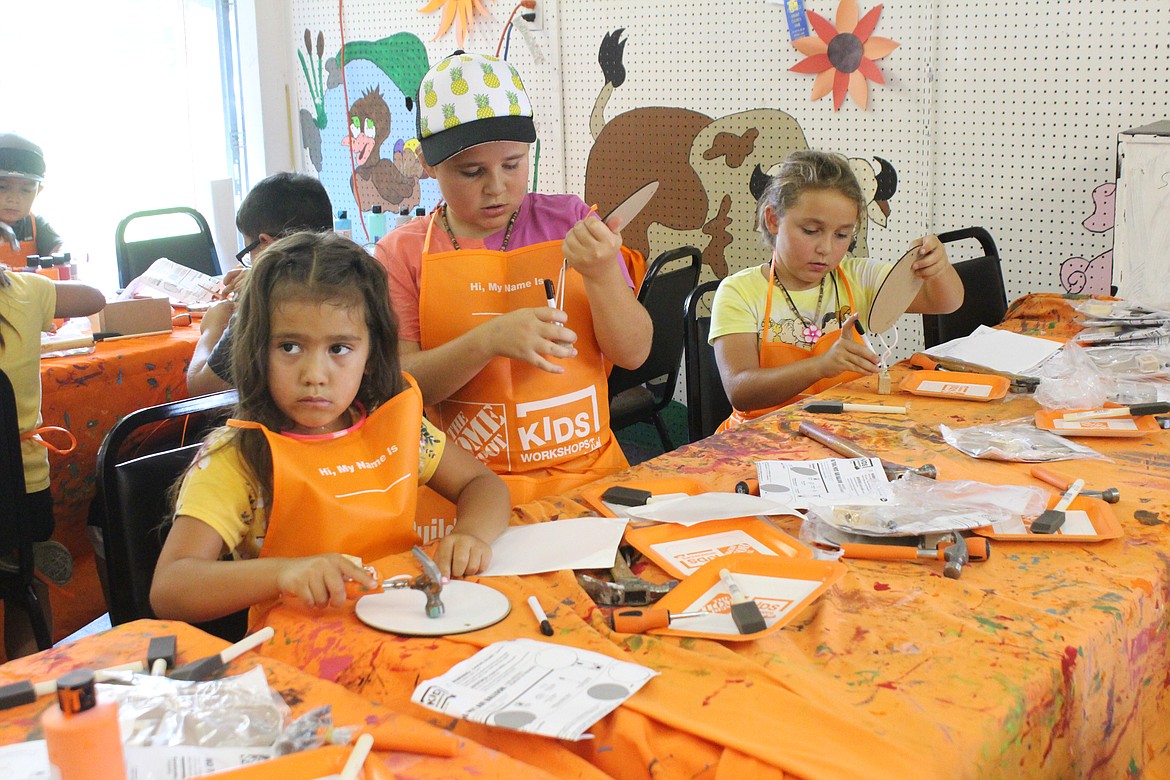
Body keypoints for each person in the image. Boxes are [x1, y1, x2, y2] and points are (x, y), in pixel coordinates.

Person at [150, 232, 510, 626]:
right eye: (289, 347)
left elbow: (482, 484)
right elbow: (170, 587)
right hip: (303, 653)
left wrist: (472, 535)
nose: (314, 376)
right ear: (257, 351)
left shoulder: (392, 426)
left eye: (339, 349)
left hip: (408, 624)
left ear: (371, 355)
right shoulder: (236, 457)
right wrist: (283, 573)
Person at [374, 51, 652, 524]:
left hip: (586, 478)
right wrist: (488, 340)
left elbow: (634, 353)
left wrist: (604, 273)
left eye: (512, 164)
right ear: (427, 164)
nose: (497, 187)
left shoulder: (570, 221)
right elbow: (402, 390)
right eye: (471, 172)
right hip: (468, 497)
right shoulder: (401, 254)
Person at [710, 150, 963, 430]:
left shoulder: (857, 278)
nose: (826, 249)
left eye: (842, 235)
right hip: (760, 435)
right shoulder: (739, 292)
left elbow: (944, 302)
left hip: (841, 430)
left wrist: (939, 269)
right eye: (810, 230)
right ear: (773, 220)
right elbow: (741, 391)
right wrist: (820, 366)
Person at [0, 266, 103, 659]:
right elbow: (93, 297)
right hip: (21, 487)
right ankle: (34, 671)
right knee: (25, 590)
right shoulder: (25, 291)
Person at [186, 172, 333, 396]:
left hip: (273, 427)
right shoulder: (354, 278)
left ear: (265, 243)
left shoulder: (265, 296)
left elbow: (202, 388)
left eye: (249, 251)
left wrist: (213, 326)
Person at [0, 133, 62, 266]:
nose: (14, 199)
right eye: (2, 187)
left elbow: (60, 251)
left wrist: (67, 255)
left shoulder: (36, 225)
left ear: (38, 192)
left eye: (25, 190)